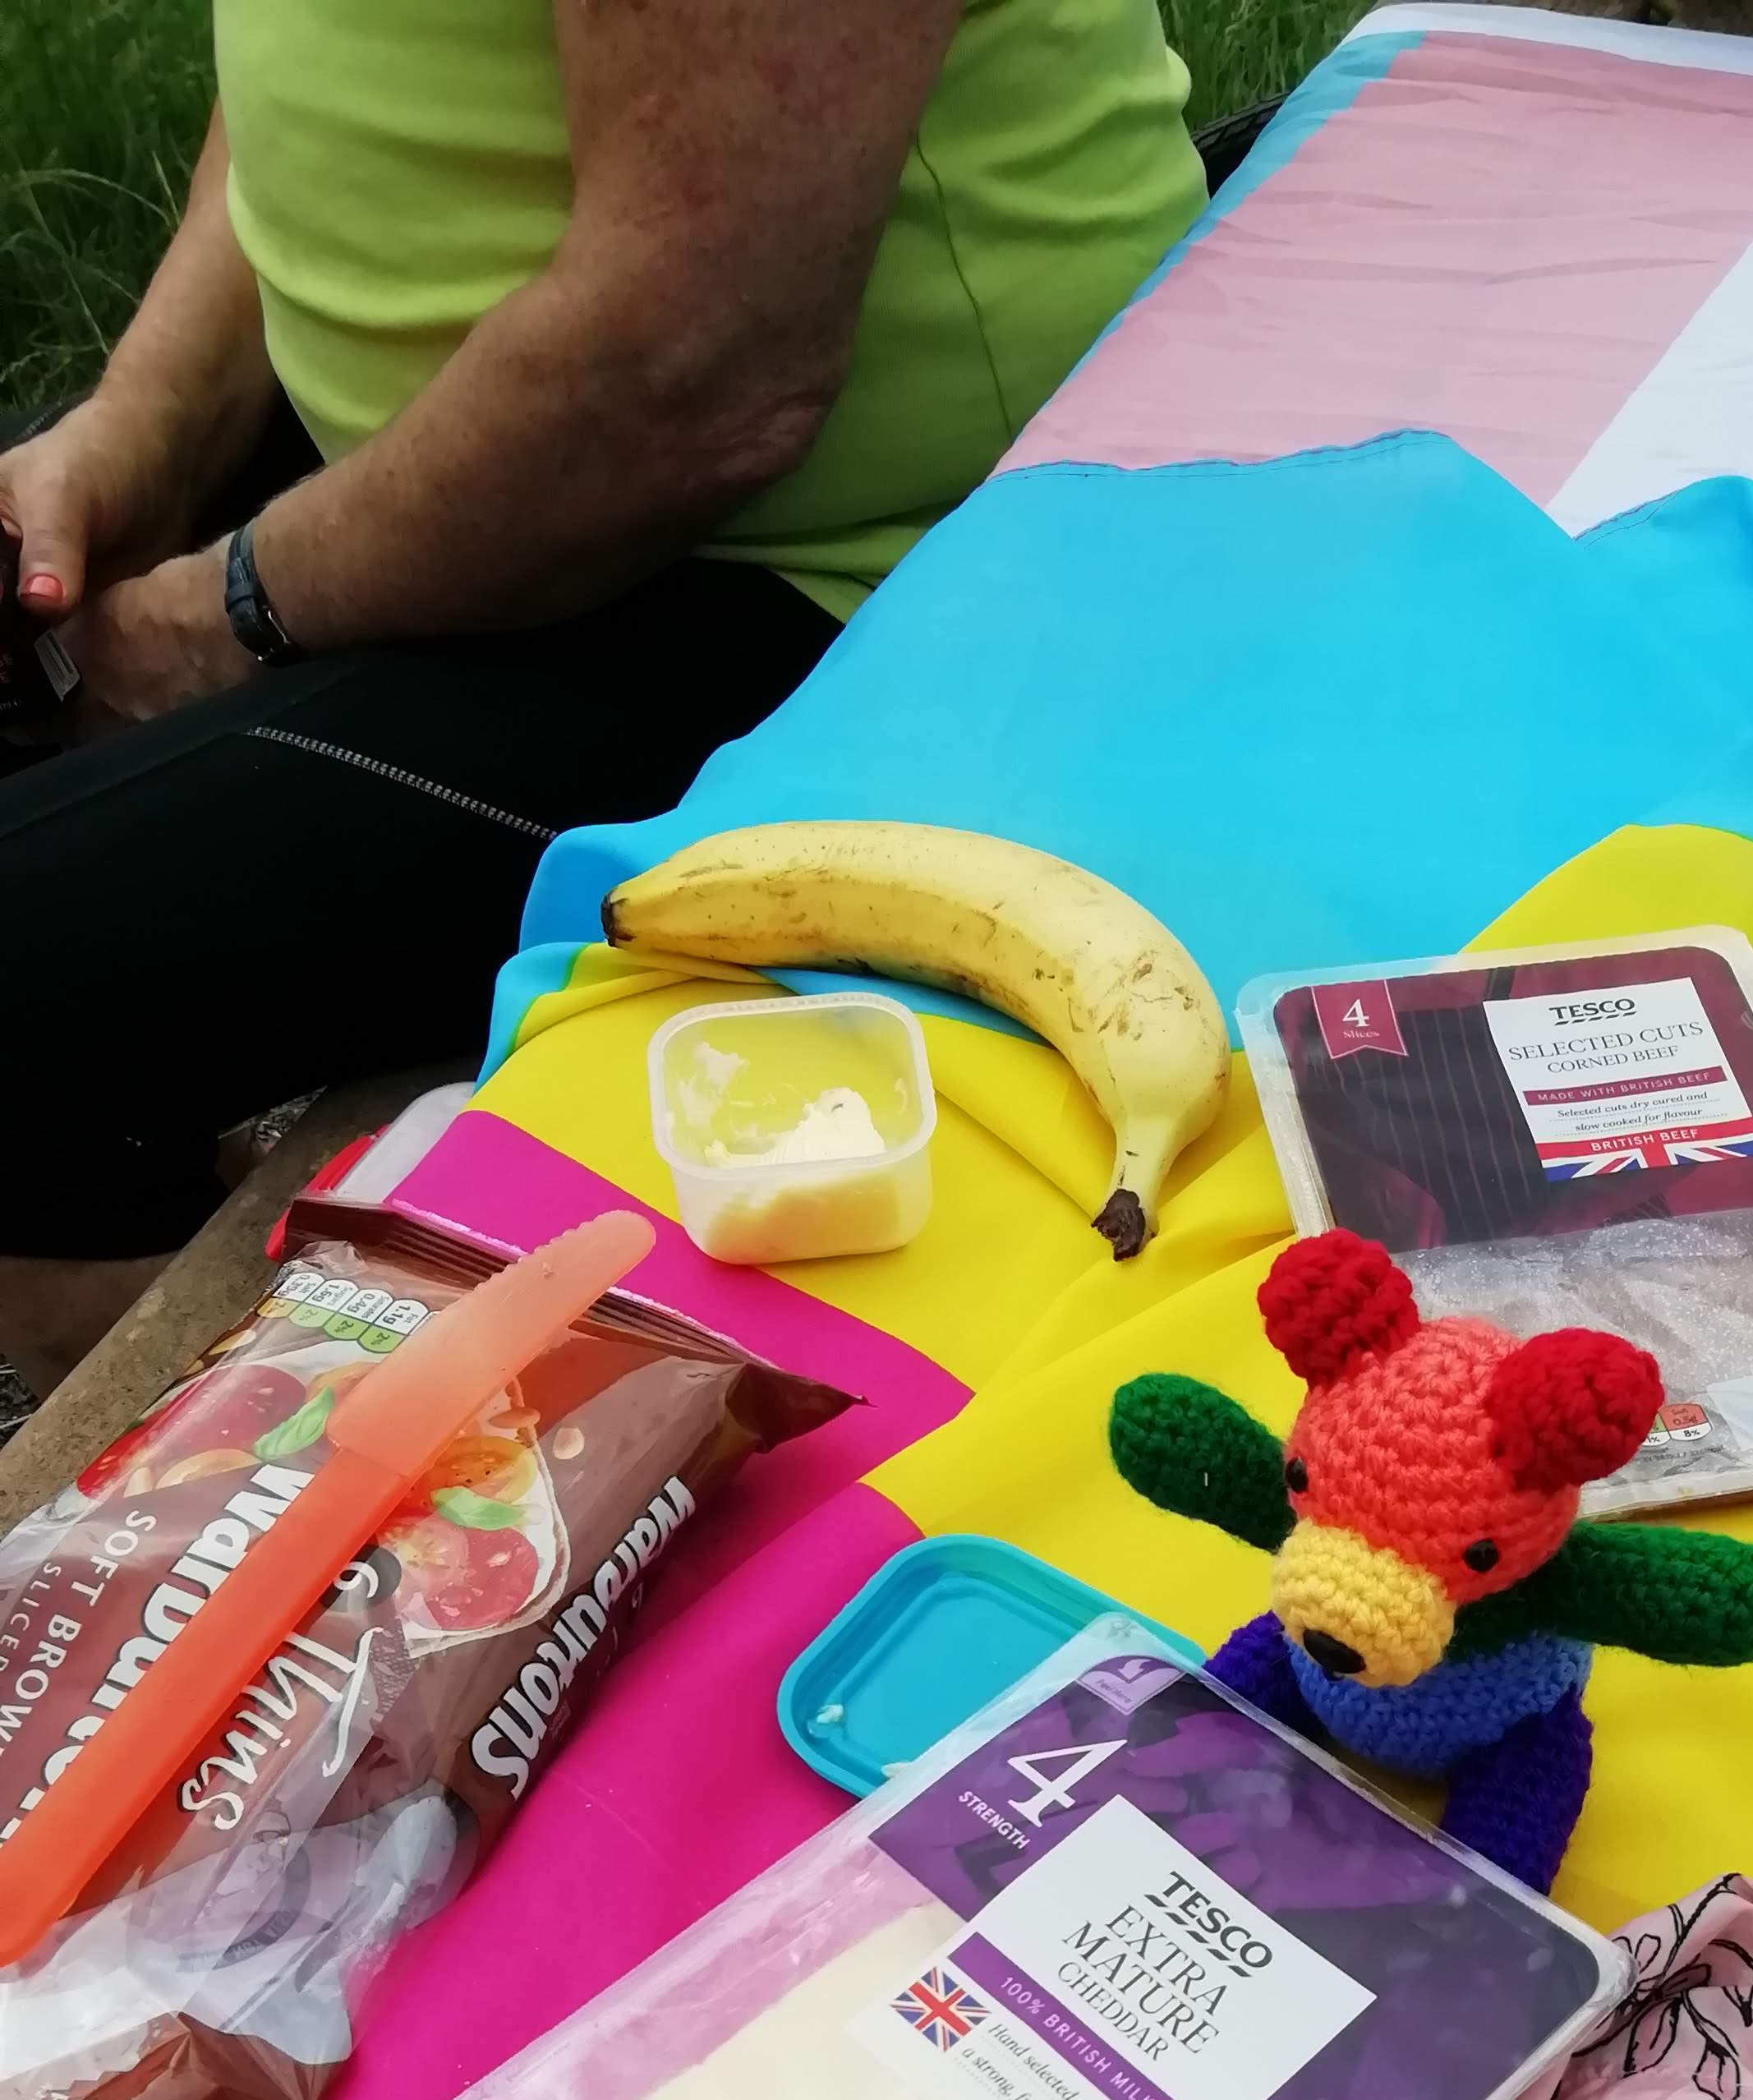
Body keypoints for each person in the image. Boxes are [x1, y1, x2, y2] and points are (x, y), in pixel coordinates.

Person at [0, 0, 1203, 1392]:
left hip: (867, 580)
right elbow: (309, 75)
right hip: (496, 484)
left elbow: (694, 373)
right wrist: (135, 434)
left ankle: (327, 1467)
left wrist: (218, 619)